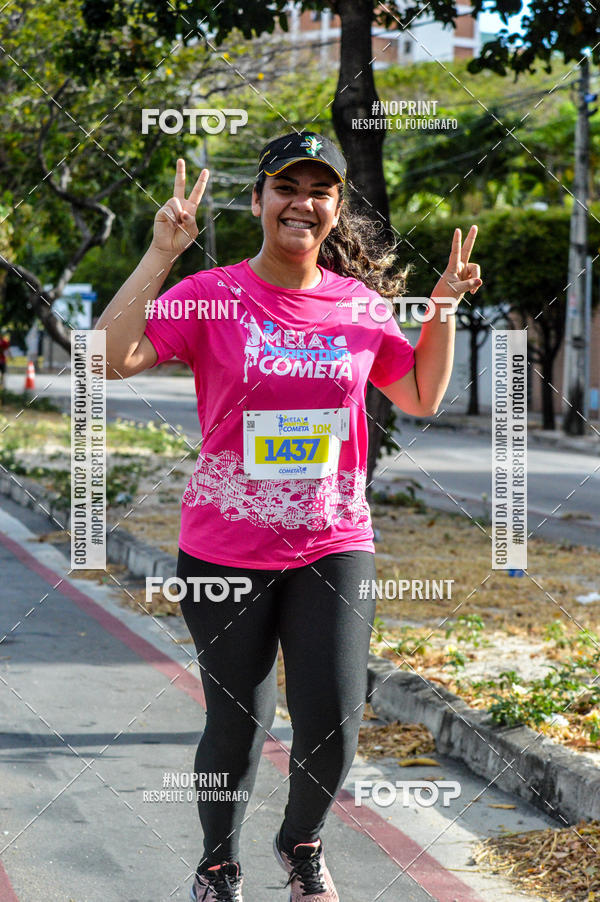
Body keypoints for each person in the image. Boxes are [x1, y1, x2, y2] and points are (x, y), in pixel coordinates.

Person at [97, 130, 482, 902]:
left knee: (334, 721)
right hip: (224, 545)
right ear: (258, 200)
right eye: (286, 187)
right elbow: (111, 357)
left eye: (320, 192)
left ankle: (300, 842)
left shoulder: (361, 305)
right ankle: (218, 864)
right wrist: (162, 254)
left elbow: (421, 397)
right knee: (238, 721)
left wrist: (439, 309)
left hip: (333, 539)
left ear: (336, 210)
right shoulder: (211, 293)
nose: (301, 203)